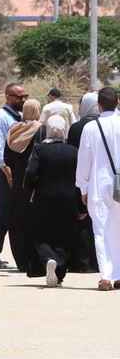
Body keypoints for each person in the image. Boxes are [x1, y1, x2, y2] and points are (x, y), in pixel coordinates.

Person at [24, 115, 79, 287]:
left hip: (45, 198)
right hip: (69, 199)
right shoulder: (73, 151)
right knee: (65, 234)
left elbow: (31, 173)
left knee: (43, 233)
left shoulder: (40, 149)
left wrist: (29, 189)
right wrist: (82, 205)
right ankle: (59, 273)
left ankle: (48, 259)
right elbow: (80, 177)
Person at [76, 87, 120, 291]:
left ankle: (105, 276)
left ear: (98, 105)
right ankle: (118, 275)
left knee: (101, 230)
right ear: (117, 102)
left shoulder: (90, 128)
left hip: (98, 185)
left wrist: (83, 187)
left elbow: (84, 161)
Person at [0, 82, 26, 269]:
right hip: (6, 172)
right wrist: (7, 171)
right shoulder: (0, 118)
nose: (23, 100)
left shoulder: (20, 116)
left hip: (17, 171)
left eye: (25, 96)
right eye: (19, 97)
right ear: (8, 96)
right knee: (3, 214)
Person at [3, 98, 44, 271]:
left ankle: (21, 260)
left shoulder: (14, 130)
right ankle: (35, 260)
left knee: (18, 220)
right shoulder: (41, 129)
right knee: (36, 220)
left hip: (18, 182)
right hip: (36, 182)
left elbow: (7, 158)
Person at [67, 91, 99, 273]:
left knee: (82, 220)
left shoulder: (77, 127)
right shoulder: (106, 124)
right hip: (104, 179)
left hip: (82, 179)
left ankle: (82, 262)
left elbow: (74, 156)